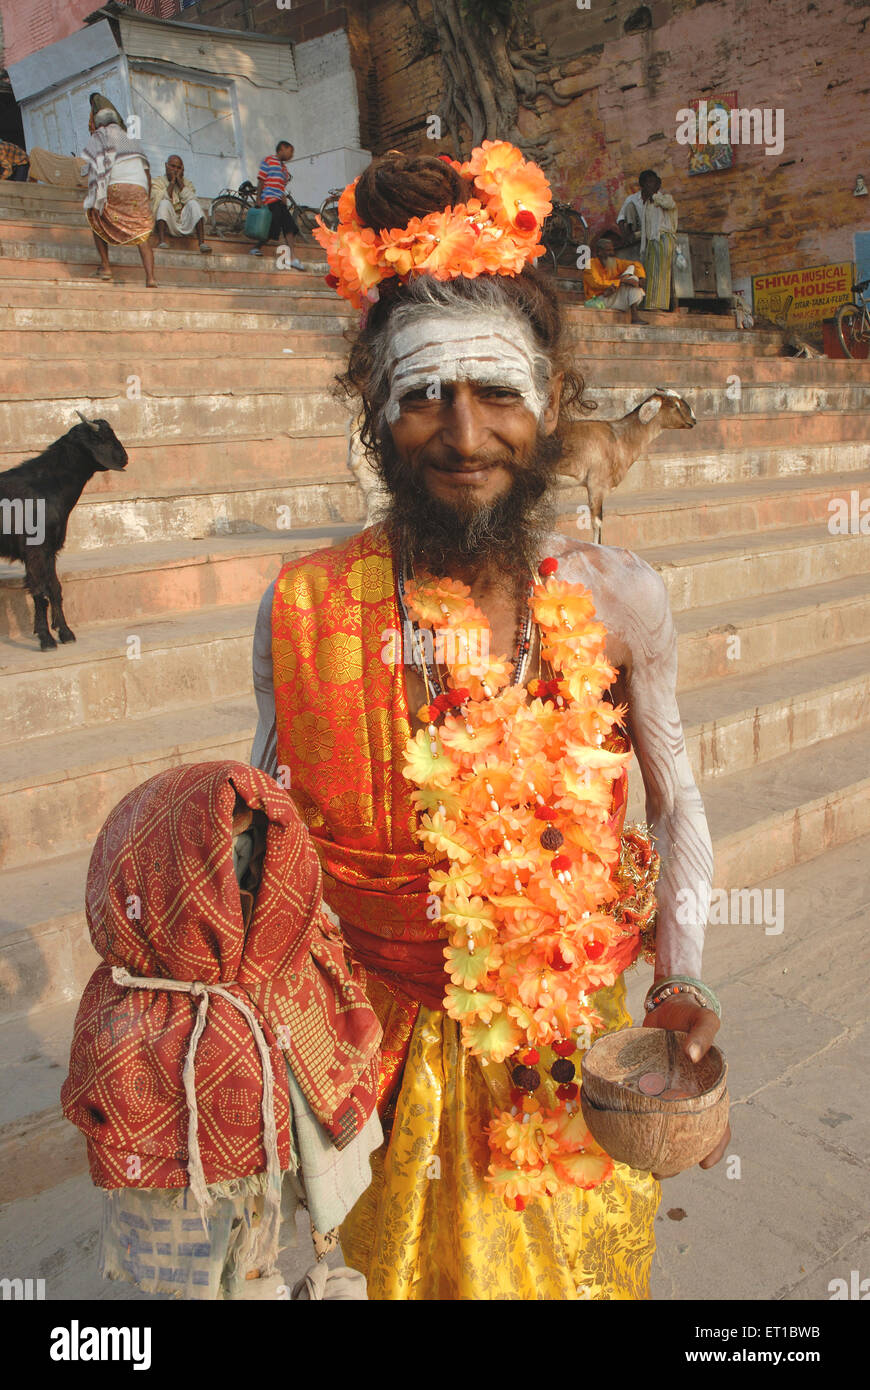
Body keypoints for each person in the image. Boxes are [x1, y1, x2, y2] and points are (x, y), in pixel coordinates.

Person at [250, 146, 727, 1301]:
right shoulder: (305, 608)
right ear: (374, 414)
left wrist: (683, 979)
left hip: (568, 1062)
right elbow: (256, 833)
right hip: (372, 1066)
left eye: (497, 392)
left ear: (553, 402)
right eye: (422, 396)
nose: (464, 435)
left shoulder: (623, 597)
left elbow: (678, 800)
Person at [61, 760, 383, 1300]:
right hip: (204, 1190)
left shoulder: (295, 962)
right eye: (229, 860)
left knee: (264, 1234)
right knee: (214, 1261)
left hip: (273, 1158)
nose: (242, 879)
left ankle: (267, 1272)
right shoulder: (134, 1007)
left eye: (251, 857)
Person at [82, 93, 157, 287]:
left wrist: (95, 196)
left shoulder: (100, 136)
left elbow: (95, 168)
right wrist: (145, 197)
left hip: (117, 186)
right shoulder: (131, 140)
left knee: (95, 217)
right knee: (142, 232)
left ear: (99, 124)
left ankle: (106, 267)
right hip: (138, 188)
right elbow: (147, 172)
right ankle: (150, 278)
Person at [251, 138, 304, 268]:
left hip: (280, 201)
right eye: (290, 151)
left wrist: (283, 196)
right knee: (272, 228)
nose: (291, 155)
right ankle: (255, 248)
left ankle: (292, 258)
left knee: (289, 226)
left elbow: (281, 185)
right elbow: (261, 180)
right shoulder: (268, 160)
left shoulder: (284, 168)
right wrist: (258, 198)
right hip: (269, 200)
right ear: (282, 149)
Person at [635, 169, 678, 312]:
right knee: (651, 273)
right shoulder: (647, 205)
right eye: (646, 183)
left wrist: (654, 197)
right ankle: (651, 304)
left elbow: (669, 205)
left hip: (664, 239)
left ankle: (657, 305)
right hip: (652, 242)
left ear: (657, 184)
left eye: (652, 182)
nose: (649, 185)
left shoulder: (665, 198)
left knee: (661, 274)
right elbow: (647, 228)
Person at [151, 154, 211, 253]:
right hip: (168, 224)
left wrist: (179, 182)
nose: (175, 170)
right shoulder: (157, 182)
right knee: (164, 203)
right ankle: (161, 241)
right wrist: (172, 182)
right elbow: (161, 199)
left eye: (179, 168)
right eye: (172, 166)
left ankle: (202, 243)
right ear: (166, 166)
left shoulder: (187, 184)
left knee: (193, 203)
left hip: (184, 222)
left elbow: (191, 198)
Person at [582, 232, 648, 323]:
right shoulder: (590, 263)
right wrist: (621, 281)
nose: (612, 253)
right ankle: (634, 315)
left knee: (633, 276)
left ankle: (635, 316)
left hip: (613, 294)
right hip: (599, 299)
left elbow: (636, 264)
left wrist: (640, 278)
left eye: (612, 250)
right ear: (599, 252)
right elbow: (596, 283)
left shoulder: (616, 262)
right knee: (629, 283)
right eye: (608, 250)